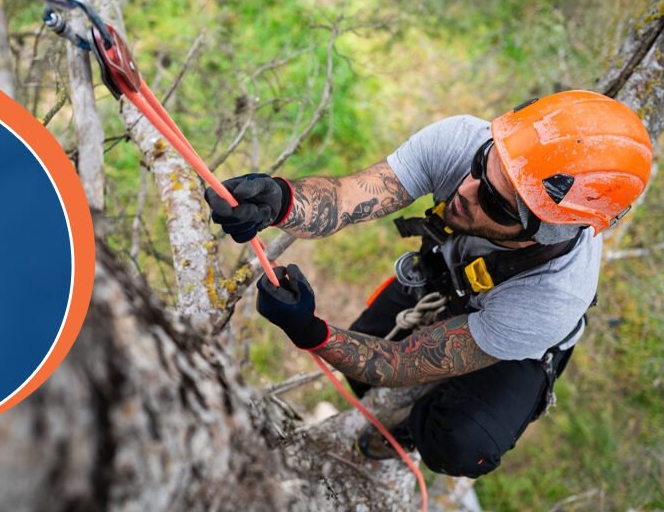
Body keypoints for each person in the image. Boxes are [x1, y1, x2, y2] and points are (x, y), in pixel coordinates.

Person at [205, 90, 653, 478]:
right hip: (447, 277)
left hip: (514, 340)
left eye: (495, 202)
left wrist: (310, 332)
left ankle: (411, 432)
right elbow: (346, 198)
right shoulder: (463, 141)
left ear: (545, 232)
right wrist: (280, 201)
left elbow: (401, 364)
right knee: (360, 374)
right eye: (483, 164)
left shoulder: (549, 299)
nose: (466, 190)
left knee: (461, 442)